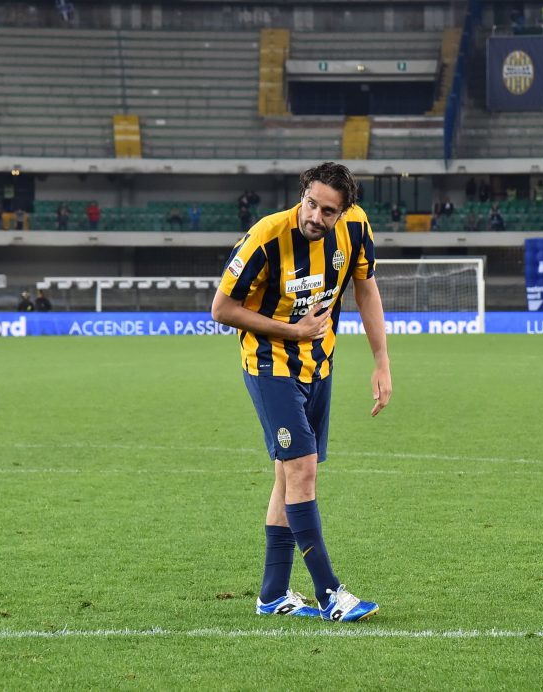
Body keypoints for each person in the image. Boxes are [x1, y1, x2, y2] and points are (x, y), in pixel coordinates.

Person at [211, 161, 391, 623]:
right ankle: (330, 592)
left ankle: (272, 594)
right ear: (302, 195)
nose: (316, 216)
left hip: (319, 365)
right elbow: (221, 307)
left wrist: (381, 362)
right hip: (269, 365)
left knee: (287, 476)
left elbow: (366, 289)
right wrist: (289, 332)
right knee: (303, 471)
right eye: (311, 203)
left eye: (328, 211)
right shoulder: (266, 236)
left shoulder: (356, 227)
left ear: (344, 210)